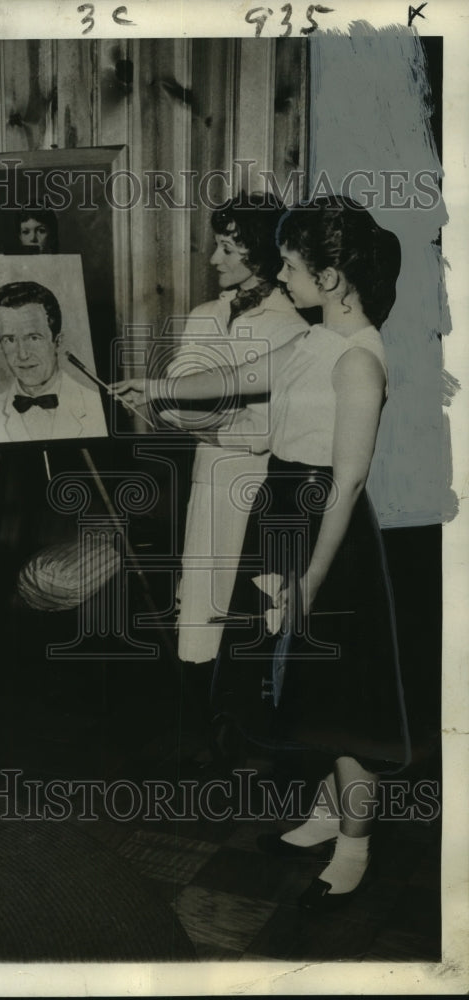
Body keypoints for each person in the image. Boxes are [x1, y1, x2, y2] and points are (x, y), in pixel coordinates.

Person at [113, 197, 410, 911]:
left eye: (293, 265)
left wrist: (309, 578)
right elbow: (236, 379)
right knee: (295, 683)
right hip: (283, 512)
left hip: (324, 532)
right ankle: (323, 816)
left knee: (340, 703)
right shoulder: (311, 342)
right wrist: (153, 386)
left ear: (333, 278)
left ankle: (357, 847)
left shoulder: (359, 361)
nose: (280, 273)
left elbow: (348, 482)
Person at [162, 193, 308, 669]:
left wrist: (206, 415)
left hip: (260, 488)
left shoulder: (291, 325)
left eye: (227, 247)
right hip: (207, 482)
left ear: (261, 250)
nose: (213, 259)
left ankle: (243, 711)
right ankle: (204, 705)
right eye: (216, 245)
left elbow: (266, 431)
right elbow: (174, 403)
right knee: (200, 606)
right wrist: (221, 417)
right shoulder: (203, 316)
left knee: (251, 604)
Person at [0, 280, 108, 443]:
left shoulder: (98, 406)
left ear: (58, 341)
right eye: (9, 340)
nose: (22, 355)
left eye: (33, 338)